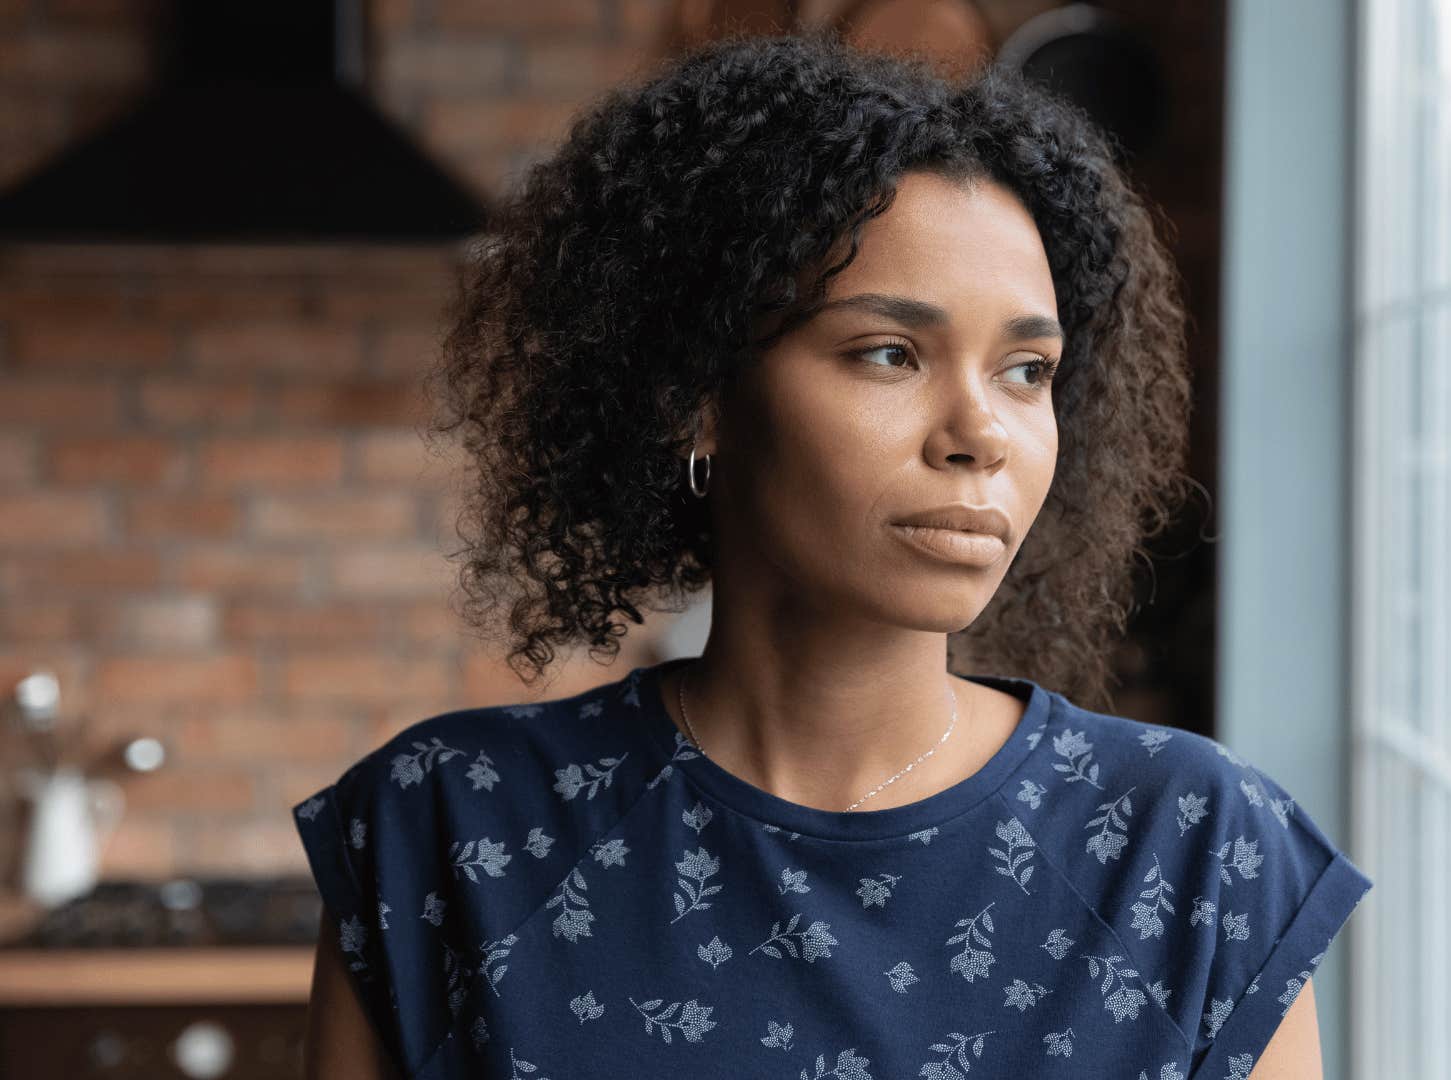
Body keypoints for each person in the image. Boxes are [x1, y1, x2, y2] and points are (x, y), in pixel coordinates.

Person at [293, 28, 1370, 1080]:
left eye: (1027, 371)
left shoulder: (1192, 849)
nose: (981, 432)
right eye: (890, 352)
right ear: (698, 401)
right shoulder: (449, 827)